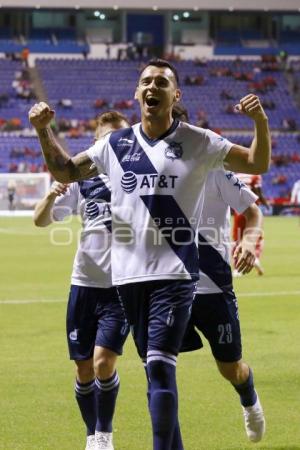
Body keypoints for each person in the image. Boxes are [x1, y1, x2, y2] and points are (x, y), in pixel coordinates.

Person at [29, 58, 271, 450]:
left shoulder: (200, 141)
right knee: (154, 372)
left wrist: (260, 121)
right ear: (137, 93)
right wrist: (44, 130)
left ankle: (243, 404)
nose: (152, 87)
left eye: (162, 82)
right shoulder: (115, 144)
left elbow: (258, 162)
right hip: (127, 282)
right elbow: (66, 171)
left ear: (176, 95)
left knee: (163, 367)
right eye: (146, 81)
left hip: (176, 276)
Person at [33, 111, 130, 450]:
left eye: (122, 137)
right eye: (108, 138)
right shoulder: (82, 181)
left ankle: (104, 434)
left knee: (104, 362)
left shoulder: (138, 179)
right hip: (83, 286)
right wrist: (49, 195)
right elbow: (40, 220)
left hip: (121, 289)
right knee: (84, 369)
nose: (115, 144)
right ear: (96, 144)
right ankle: (92, 435)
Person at [173, 103, 266, 443]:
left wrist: (250, 240)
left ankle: (249, 399)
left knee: (231, 368)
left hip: (213, 288)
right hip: (168, 288)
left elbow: (253, 214)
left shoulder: (214, 169)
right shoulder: (148, 176)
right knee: (158, 365)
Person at [233, 172, 268, 276]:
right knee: (256, 236)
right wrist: (265, 203)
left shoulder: (234, 176)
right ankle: (255, 257)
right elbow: (258, 193)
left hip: (238, 211)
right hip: (252, 211)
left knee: (237, 238)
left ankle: (236, 268)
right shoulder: (255, 175)